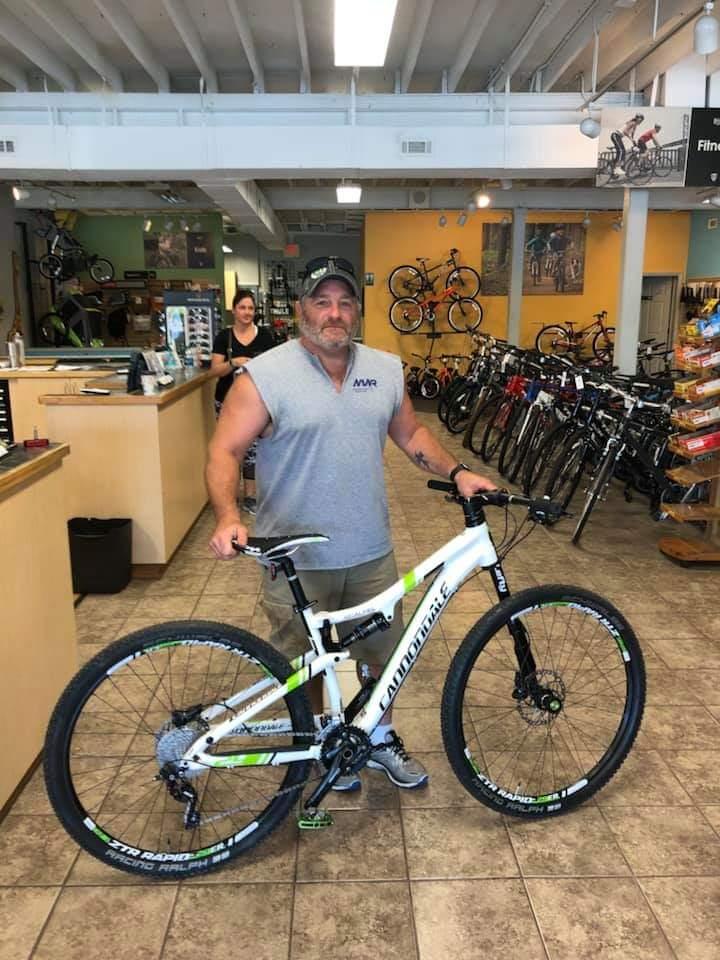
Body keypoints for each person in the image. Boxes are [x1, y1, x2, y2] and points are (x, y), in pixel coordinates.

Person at [207, 256, 496, 792]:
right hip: (294, 554)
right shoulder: (263, 375)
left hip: (369, 549)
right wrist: (228, 516)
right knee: (305, 663)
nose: (334, 313)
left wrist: (457, 472)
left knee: (382, 658)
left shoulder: (385, 369)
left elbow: (411, 435)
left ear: (357, 310)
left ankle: (378, 736)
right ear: (301, 310)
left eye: (344, 302)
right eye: (322, 301)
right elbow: (225, 450)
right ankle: (321, 740)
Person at [210, 289, 274, 515]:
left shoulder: (265, 336)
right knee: (229, 449)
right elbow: (215, 371)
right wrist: (234, 362)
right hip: (226, 402)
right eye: (242, 307)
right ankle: (228, 497)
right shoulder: (223, 337)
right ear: (234, 310)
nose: (247, 312)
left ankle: (250, 495)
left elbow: (276, 367)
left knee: (253, 450)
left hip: (257, 402)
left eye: (251, 308)